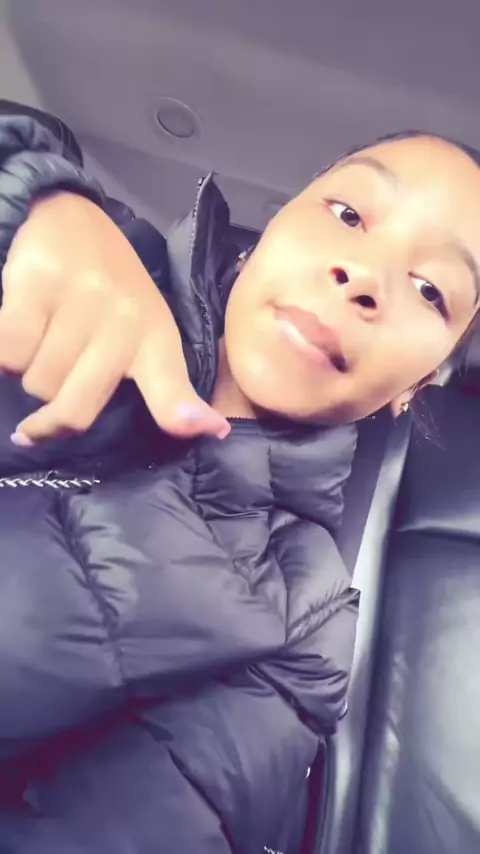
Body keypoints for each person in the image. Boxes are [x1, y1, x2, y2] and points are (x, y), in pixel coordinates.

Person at [0, 102, 478, 854]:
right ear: (275, 226)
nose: (365, 277)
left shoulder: (306, 632)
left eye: (430, 290)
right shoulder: (87, 250)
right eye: (348, 214)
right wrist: (30, 198)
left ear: (417, 386)